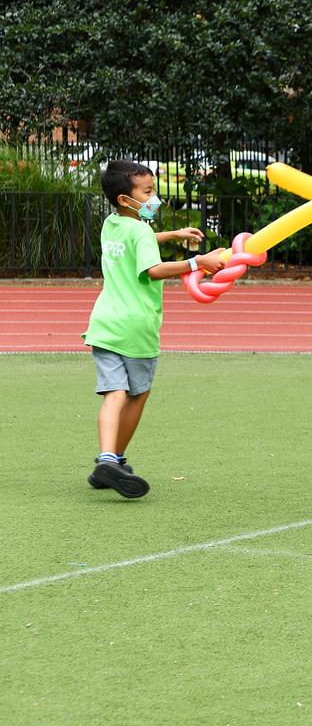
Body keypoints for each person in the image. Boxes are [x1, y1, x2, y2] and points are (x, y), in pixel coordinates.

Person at [82, 160, 226, 498]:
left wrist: (173, 235)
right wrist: (197, 262)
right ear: (124, 199)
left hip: (104, 325)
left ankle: (107, 460)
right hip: (136, 329)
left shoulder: (111, 224)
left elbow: (138, 240)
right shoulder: (140, 231)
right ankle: (115, 457)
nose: (154, 197)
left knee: (113, 394)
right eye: (147, 192)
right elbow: (153, 268)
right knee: (137, 394)